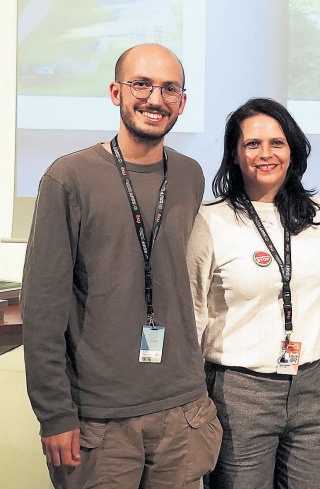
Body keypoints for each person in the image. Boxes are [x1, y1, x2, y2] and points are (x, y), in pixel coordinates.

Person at [20, 43, 221, 488]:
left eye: (169, 89)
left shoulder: (190, 175)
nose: (155, 99)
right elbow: (42, 308)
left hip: (182, 410)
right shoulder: (68, 178)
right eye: (141, 85)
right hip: (99, 418)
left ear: (182, 102)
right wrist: (54, 414)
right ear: (116, 92)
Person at [187, 97, 320, 488]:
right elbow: (193, 314)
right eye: (252, 144)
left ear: (292, 150)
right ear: (235, 155)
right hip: (239, 394)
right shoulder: (211, 220)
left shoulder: (317, 212)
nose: (265, 153)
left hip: (312, 387)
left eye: (277, 142)